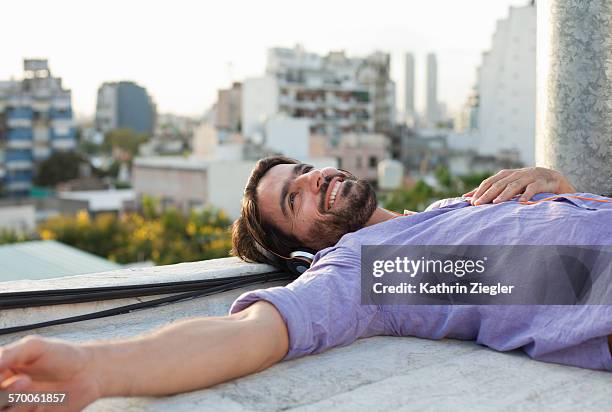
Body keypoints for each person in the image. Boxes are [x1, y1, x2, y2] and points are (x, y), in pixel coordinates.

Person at [1, 156, 611, 412]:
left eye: (304, 169)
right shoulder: (366, 268)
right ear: (302, 247)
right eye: (296, 197)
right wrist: (96, 369)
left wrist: (552, 180)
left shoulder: (452, 208)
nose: (316, 178)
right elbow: (251, 334)